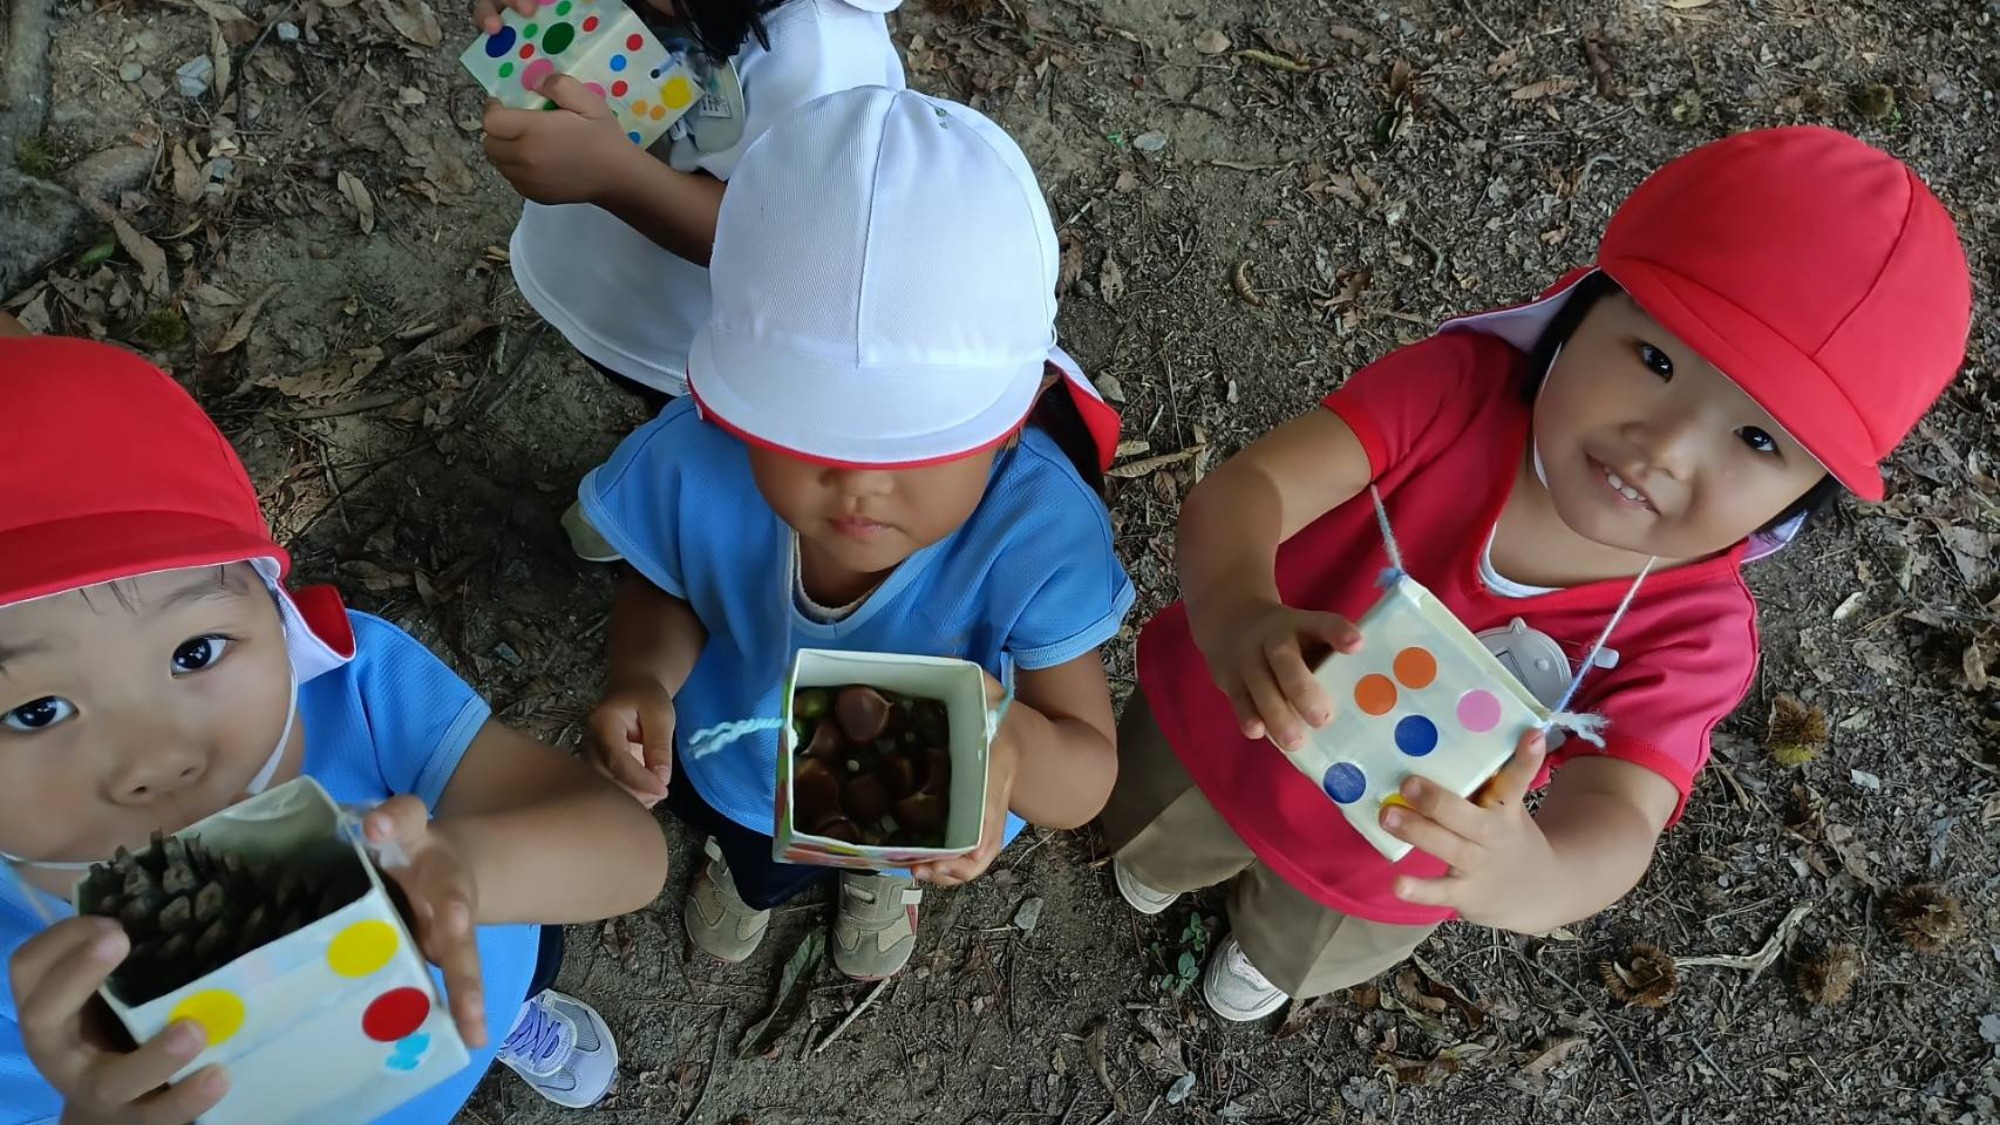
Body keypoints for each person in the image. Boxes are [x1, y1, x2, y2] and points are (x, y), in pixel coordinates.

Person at [1101, 126, 1971, 1021]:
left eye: (1757, 439)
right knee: (1153, 826)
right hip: (1216, 721)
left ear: (1803, 499)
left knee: (1302, 939)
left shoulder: (1696, 632)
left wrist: (1538, 875)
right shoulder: (1455, 391)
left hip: (1386, 863)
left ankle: (1266, 954)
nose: (1665, 449)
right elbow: (1251, 491)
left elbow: (1621, 817)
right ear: (1578, 312)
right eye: (1657, 359)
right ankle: (1156, 860)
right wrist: (1238, 605)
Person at [0, 335, 671, 1121]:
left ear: (280, 620)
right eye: (34, 711)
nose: (158, 755)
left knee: (500, 976)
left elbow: (626, 847)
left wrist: (462, 875)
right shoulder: (30, 981)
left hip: (480, 953)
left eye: (195, 651)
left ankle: (506, 1016)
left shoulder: (355, 688)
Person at [570, 87, 1136, 982]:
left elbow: (1088, 771)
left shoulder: (1039, 533)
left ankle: (881, 881)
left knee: (882, 843)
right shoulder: (699, 458)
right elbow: (669, 582)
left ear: (1009, 419)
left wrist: (1012, 741)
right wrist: (644, 676)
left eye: (921, 444)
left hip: (920, 797)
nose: (862, 483)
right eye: (809, 434)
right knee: (755, 848)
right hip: (738, 762)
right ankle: (749, 872)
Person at [477, 0, 906, 415]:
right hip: (588, 273)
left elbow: (785, 242)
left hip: (676, 341)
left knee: (672, 427)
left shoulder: (823, 56)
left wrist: (614, 176)